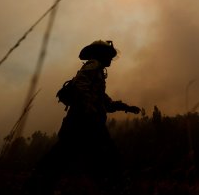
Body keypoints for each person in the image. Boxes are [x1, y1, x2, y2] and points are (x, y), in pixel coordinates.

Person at [38, 40, 140, 178]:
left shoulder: (97, 75)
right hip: (83, 121)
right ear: (100, 54)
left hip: (85, 121)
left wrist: (126, 107)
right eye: (108, 55)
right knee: (104, 155)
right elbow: (81, 82)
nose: (110, 59)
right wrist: (89, 107)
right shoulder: (94, 65)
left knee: (63, 156)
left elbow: (105, 102)